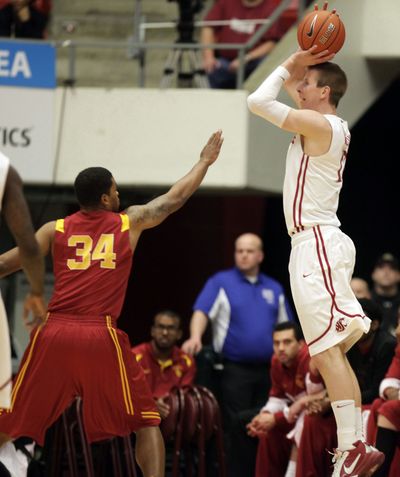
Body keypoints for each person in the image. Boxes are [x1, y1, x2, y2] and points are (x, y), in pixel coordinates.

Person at [0, 130, 223, 477]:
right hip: (98, 334)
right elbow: (173, 199)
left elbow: (3, 265)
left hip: (53, 333)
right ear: (105, 198)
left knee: (11, 418)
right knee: (146, 422)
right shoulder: (128, 222)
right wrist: (204, 162)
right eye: (116, 190)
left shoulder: (53, 229)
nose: (119, 194)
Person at [247, 3, 385, 474]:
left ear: (323, 92)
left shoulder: (321, 124)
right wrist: (303, 53)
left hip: (317, 244)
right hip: (314, 245)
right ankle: (353, 446)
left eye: (307, 83)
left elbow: (258, 101)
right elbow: (285, 87)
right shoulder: (322, 122)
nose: (298, 84)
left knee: (325, 351)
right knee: (327, 353)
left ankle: (353, 446)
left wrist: (291, 61)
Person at [182, 232, 293, 476]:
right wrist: (195, 337)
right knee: (237, 426)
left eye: (249, 251)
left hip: (270, 371)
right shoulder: (221, 282)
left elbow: (288, 329)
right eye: (239, 250)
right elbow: (202, 311)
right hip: (235, 371)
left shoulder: (274, 288)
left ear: (260, 255)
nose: (243, 255)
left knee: (267, 423)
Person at [295, 298, 396, 477]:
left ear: (374, 324)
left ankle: (353, 451)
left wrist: (330, 400)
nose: (352, 321)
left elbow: (377, 389)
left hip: (370, 402)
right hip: (352, 400)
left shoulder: (386, 345)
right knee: (311, 420)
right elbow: (341, 382)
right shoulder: (349, 342)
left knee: (372, 411)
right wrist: (325, 399)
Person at [247, 321, 323, 477]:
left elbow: (317, 398)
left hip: (320, 413)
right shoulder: (276, 360)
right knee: (264, 429)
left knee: (307, 418)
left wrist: (276, 418)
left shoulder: (310, 358)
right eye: (276, 343)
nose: (280, 348)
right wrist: (265, 415)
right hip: (296, 411)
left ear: (301, 344)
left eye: (287, 342)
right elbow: (277, 396)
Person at [201, 0, 283, 89]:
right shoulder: (226, 2)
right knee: (213, 68)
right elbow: (208, 27)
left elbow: (272, 42)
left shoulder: (271, 7)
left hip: (252, 62)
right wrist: (208, 57)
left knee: (265, 65)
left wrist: (246, 58)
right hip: (225, 62)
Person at [132, 310, 196, 419]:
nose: (165, 332)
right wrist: (151, 406)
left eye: (171, 328)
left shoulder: (187, 361)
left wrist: (165, 406)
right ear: (152, 331)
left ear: (179, 334)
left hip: (173, 418)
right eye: (160, 327)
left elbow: (184, 398)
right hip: (140, 417)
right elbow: (127, 395)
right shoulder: (134, 356)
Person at [366, 308, 400, 477]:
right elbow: (387, 383)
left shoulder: (385, 344)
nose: (398, 330)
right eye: (398, 322)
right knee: (379, 405)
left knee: (389, 408)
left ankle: (378, 472)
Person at [371, 253, 400, 337]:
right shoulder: (366, 301)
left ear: (398, 275)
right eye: (381, 267)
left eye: (392, 268)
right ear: (373, 274)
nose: (386, 272)